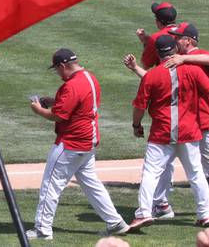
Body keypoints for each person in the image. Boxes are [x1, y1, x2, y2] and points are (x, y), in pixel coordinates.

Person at [25, 49, 130, 240]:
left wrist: (38, 109)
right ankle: (116, 222)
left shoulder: (71, 85)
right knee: (92, 184)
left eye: (57, 69)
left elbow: (58, 115)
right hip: (88, 141)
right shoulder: (90, 78)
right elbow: (77, 103)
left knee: (50, 185)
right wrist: (54, 100)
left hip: (71, 142)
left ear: (62, 66)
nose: (57, 73)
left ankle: (42, 229)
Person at [130, 35, 209, 230]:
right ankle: (204, 214)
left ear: (158, 53)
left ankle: (144, 212)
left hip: (161, 134)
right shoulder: (193, 70)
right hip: (190, 132)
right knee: (196, 173)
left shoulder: (151, 75)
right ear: (175, 51)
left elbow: (139, 107)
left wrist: (136, 125)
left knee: (151, 173)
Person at [137, 1, 177, 68]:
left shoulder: (156, 38)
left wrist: (146, 43)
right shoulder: (184, 31)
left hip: (166, 76)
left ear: (158, 21)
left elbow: (145, 65)